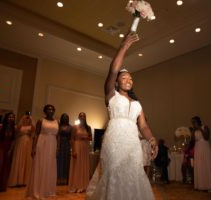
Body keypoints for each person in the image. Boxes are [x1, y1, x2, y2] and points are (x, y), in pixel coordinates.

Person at [86, 32, 158, 200]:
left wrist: (152, 139)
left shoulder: (137, 104)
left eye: (130, 78)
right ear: (117, 82)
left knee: (133, 174)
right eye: (124, 78)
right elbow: (113, 70)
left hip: (133, 143)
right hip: (114, 141)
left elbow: (143, 126)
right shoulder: (111, 95)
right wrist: (124, 46)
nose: (128, 80)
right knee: (114, 172)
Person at [25, 104, 59, 199]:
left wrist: (57, 148)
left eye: (52, 109)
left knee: (50, 166)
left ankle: (48, 190)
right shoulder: (41, 121)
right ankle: (37, 190)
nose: (51, 110)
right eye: (49, 109)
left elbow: (58, 136)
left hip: (53, 144)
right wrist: (33, 147)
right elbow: (36, 134)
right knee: (40, 165)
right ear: (45, 111)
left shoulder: (57, 121)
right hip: (42, 143)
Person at [0, 112, 16, 195]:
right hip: (0, 148)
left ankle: (2, 187)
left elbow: (13, 140)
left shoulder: (14, 128)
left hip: (8, 149)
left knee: (6, 168)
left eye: (12, 117)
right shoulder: (1, 126)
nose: (11, 118)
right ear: (6, 118)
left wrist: (11, 150)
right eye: (9, 117)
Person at [8, 112, 34, 187]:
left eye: (27, 119)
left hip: (28, 144)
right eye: (26, 119)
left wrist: (31, 119)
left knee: (27, 160)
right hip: (20, 143)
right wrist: (23, 119)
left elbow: (34, 130)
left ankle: (25, 181)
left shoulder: (31, 126)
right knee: (19, 159)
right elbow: (16, 132)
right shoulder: (18, 126)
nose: (27, 120)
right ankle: (17, 180)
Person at [191, 116, 211, 192]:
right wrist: (193, 132)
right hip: (198, 148)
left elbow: (206, 137)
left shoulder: (205, 127)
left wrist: (200, 129)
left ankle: (209, 186)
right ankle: (199, 185)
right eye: (192, 122)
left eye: (194, 122)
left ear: (198, 121)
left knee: (206, 165)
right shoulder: (194, 130)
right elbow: (192, 141)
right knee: (199, 166)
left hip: (205, 147)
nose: (193, 123)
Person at [68, 112, 92, 193]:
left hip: (85, 148)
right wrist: (73, 150)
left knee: (84, 165)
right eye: (81, 116)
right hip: (77, 147)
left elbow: (90, 138)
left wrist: (86, 137)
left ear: (86, 118)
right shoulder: (75, 127)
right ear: (78, 117)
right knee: (77, 166)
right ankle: (75, 186)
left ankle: (83, 185)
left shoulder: (88, 127)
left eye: (84, 116)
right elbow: (71, 139)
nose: (82, 117)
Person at [57, 113, 72, 185]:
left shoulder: (70, 127)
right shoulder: (58, 126)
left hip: (67, 145)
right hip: (59, 144)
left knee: (66, 161)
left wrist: (71, 147)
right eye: (64, 117)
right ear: (62, 118)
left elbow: (71, 138)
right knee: (58, 161)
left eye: (67, 117)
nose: (65, 118)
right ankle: (58, 178)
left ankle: (66, 179)